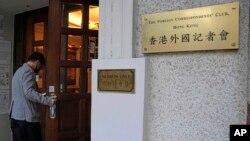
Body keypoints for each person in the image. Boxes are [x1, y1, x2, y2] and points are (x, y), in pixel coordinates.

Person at [9, 52, 57, 141]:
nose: (40, 69)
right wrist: (49, 101)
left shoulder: (19, 71)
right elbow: (29, 92)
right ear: (38, 62)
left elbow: (23, 92)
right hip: (26, 119)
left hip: (15, 116)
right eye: (41, 67)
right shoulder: (28, 72)